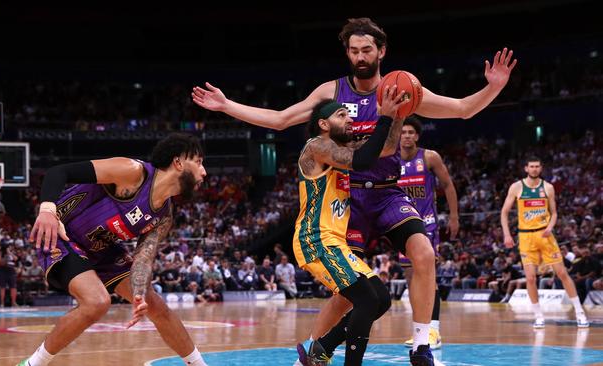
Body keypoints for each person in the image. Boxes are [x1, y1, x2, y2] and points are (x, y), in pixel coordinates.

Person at [192, 17, 516, 363]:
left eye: (367, 50)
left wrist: (494, 87)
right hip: (348, 198)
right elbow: (282, 119)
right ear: (347, 53)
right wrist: (228, 106)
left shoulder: (401, 87)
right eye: (354, 51)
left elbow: (463, 109)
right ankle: (313, 352)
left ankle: (421, 345)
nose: (360, 57)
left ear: (381, 51)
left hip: (389, 192)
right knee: (351, 292)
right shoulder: (331, 92)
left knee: (423, 252)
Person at [16, 133, 209, 366]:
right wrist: (47, 210)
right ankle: (31, 364)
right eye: (198, 162)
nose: (204, 172)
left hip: (102, 247)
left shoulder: (164, 216)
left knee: (155, 305)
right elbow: (59, 172)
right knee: (97, 302)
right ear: (178, 162)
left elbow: (143, 260)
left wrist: (138, 293)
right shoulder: (132, 172)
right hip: (61, 234)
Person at [293, 91, 402, 366]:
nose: (350, 118)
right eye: (341, 114)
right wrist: (384, 117)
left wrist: (399, 114)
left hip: (335, 241)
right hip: (315, 239)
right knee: (365, 298)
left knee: (381, 299)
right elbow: (364, 159)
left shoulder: (342, 151)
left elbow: (385, 147)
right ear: (323, 124)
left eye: (349, 113)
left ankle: (322, 348)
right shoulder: (316, 147)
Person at [501, 156, 589, 328]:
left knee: (562, 273)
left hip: (545, 235)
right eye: (531, 166)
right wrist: (507, 235)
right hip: (526, 237)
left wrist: (550, 226)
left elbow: (554, 213)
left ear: (540, 168)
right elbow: (504, 212)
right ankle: (538, 316)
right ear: (526, 168)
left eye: (537, 166)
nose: (534, 169)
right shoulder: (517, 187)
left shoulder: (548, 187)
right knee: (531, 278)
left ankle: (580, 312)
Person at [397, 117, 459, 349]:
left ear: (417, 136)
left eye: (411, 132)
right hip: (401, 226)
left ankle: (434, 330)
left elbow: (448, 185)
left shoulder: (430, 157)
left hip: (427, 225)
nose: (407, 136)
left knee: (427, 277)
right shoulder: (391, 159)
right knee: (411, 279)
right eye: (403, 132)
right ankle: (419, 329)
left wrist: (453, 216)